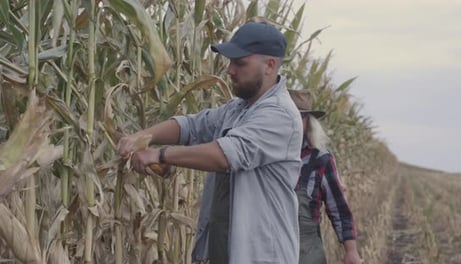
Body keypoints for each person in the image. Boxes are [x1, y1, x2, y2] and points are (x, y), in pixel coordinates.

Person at [117, 22, 303, 264]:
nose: (229, 70)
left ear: (269, 66)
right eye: (230, 62)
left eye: (240, 63)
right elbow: (192, 126)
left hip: (260, 256)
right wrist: (142, 137)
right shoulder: (239, 109)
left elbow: (224, 156)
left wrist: (159, 155)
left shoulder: (279, 115)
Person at [288, 89, 361, 264]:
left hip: (306, 253)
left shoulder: (320, 160)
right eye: (288, 116)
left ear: (308, 122)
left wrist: (351, 250)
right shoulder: (264, 156)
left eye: (301, 117)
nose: (294, 122)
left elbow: (339, 207)